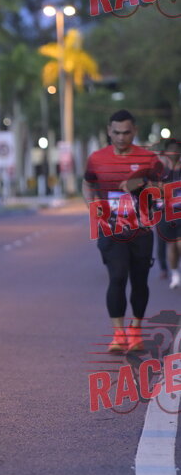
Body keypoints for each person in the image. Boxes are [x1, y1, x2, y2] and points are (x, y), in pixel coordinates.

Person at [83, 109, 163, 353]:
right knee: (117, 277)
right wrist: (93, 208)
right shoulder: (97, 158)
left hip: (140, 229)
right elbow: (87, 184)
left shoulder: (149, 158)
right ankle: (118, 334)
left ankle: (135, 330)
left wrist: (142, 185)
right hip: (111, 228)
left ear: (134, 131)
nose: (121, 137)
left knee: (139, 281)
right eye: (116, 132)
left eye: (126, 132)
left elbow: (162, 188)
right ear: (109, 131)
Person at [157, 139, 181, 289]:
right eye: (171, 149)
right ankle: (174, 273)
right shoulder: (161, 172)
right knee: (170, 245)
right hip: (166, 214)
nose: (174, 152)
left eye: (176, 149)